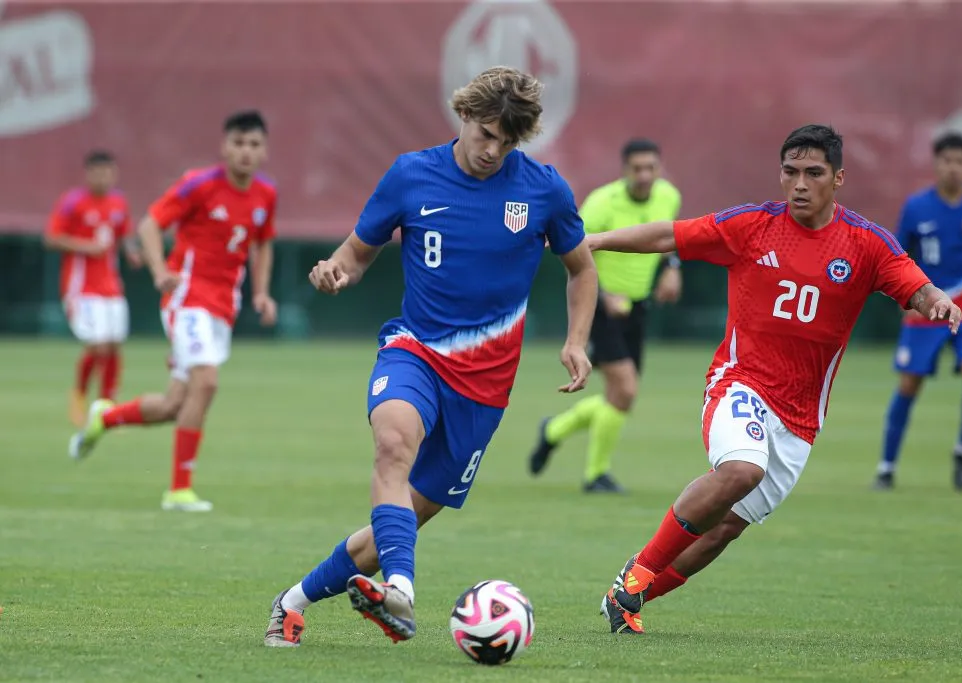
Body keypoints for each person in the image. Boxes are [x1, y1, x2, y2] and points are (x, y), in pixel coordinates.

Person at [263, 66, 598, 648]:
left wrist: (575, 340)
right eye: (486, 133)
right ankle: (403, 593)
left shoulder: (544, 190)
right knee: (393, 444)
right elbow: (356, 253)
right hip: (414, 351)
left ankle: (291, 604)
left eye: (507, 140)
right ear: (464, 117)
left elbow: (582, 269)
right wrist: (335, 273)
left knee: (393, 529)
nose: (493, 150)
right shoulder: (411, 174)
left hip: (485, 389)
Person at [585, 124, 962, 635]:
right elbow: (669, 234)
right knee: (741, 471)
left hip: (801, 419)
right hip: (739, 384)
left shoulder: (866, 243)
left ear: (838, 178)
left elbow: (914, 285)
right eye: (791, 172)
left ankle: (629, 597)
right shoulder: (752, 226)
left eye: (814, 173)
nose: (800, 184)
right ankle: (640, 569)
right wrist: (597, 240)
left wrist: (935, 299)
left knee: (723, 531)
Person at [67, 110, 279, 512]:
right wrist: (160, 270)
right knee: (208, 381)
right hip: (187, 299)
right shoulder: (199, 185)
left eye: (254, 145)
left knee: (174, 404)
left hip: (222, 307)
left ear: (264, 150)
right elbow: (149, 225)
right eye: (238, 143)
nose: (246, 152)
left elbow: (263, 242)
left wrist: (262, 293)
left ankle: (104, 419)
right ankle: (178, 490)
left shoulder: (265, 194)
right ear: (224, 146)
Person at [528, 137, 683, 493]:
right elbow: (575, 250)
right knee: (625, 389)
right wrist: (606, 293)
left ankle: (553, 430)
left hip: (638, 306)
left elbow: (666, 237)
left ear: (659, 169)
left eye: (651, 168)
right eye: (637, 169)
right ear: (624, 170)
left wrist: (672, 267)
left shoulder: (668, 196)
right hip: (599, 307)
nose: (644, 176)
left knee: (620, 396)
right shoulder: (601, 202)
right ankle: (596, 475)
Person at [874, 132, 962, 492]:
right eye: (946, 161)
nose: (953, 168)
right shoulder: (916, 206)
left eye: (960, 161)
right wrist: (905, 301)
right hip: (928, 305)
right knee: (909, 383)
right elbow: (896, 257)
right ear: (936, 164)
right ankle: (886, 467)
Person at [44, 150, 142, 426]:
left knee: (113, 345)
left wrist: (133, 253)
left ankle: (108, 410)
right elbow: (51, 238)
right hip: (81, 288)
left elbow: (125, 236)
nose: (104, 178)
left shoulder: (119, 202)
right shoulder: (73, 202)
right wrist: (86, 247)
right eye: (98, 172)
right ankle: (79, 394)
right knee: (98, 345)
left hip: (111, 287)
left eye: (109, 172)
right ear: (87, 174)